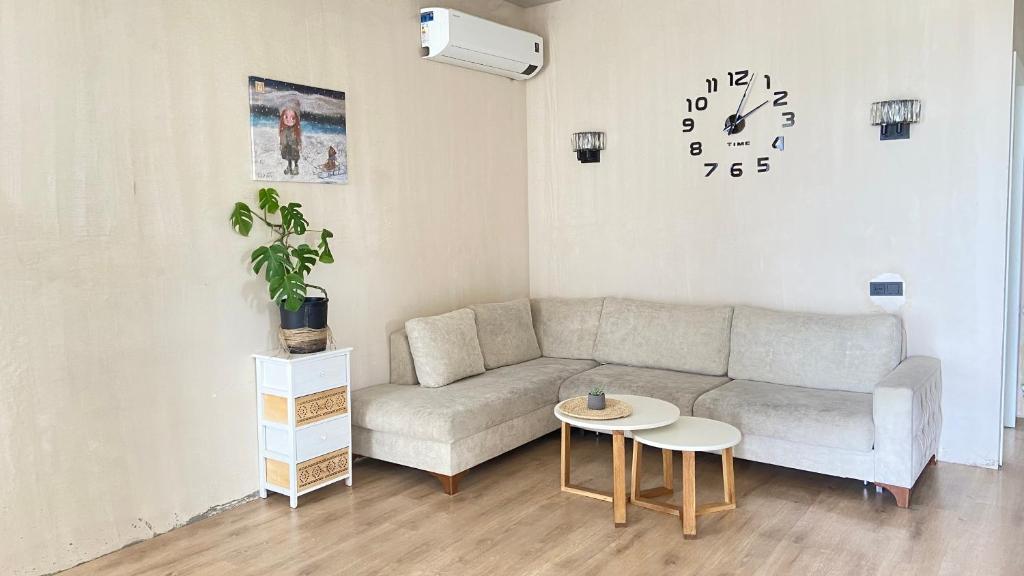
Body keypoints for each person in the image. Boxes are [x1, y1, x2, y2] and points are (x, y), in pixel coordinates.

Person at [279, 102, 302, 175]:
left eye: (293, 118)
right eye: (286, 117)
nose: (289, 120)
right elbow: (282, 139)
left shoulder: (295, 130)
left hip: (294, 146)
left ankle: (296, 167)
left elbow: (298, 139)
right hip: (287, 146)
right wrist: (281, 145)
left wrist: (299, 145)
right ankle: (289, 167)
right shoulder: (284, 130)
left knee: (295, 158)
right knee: (288, 157)